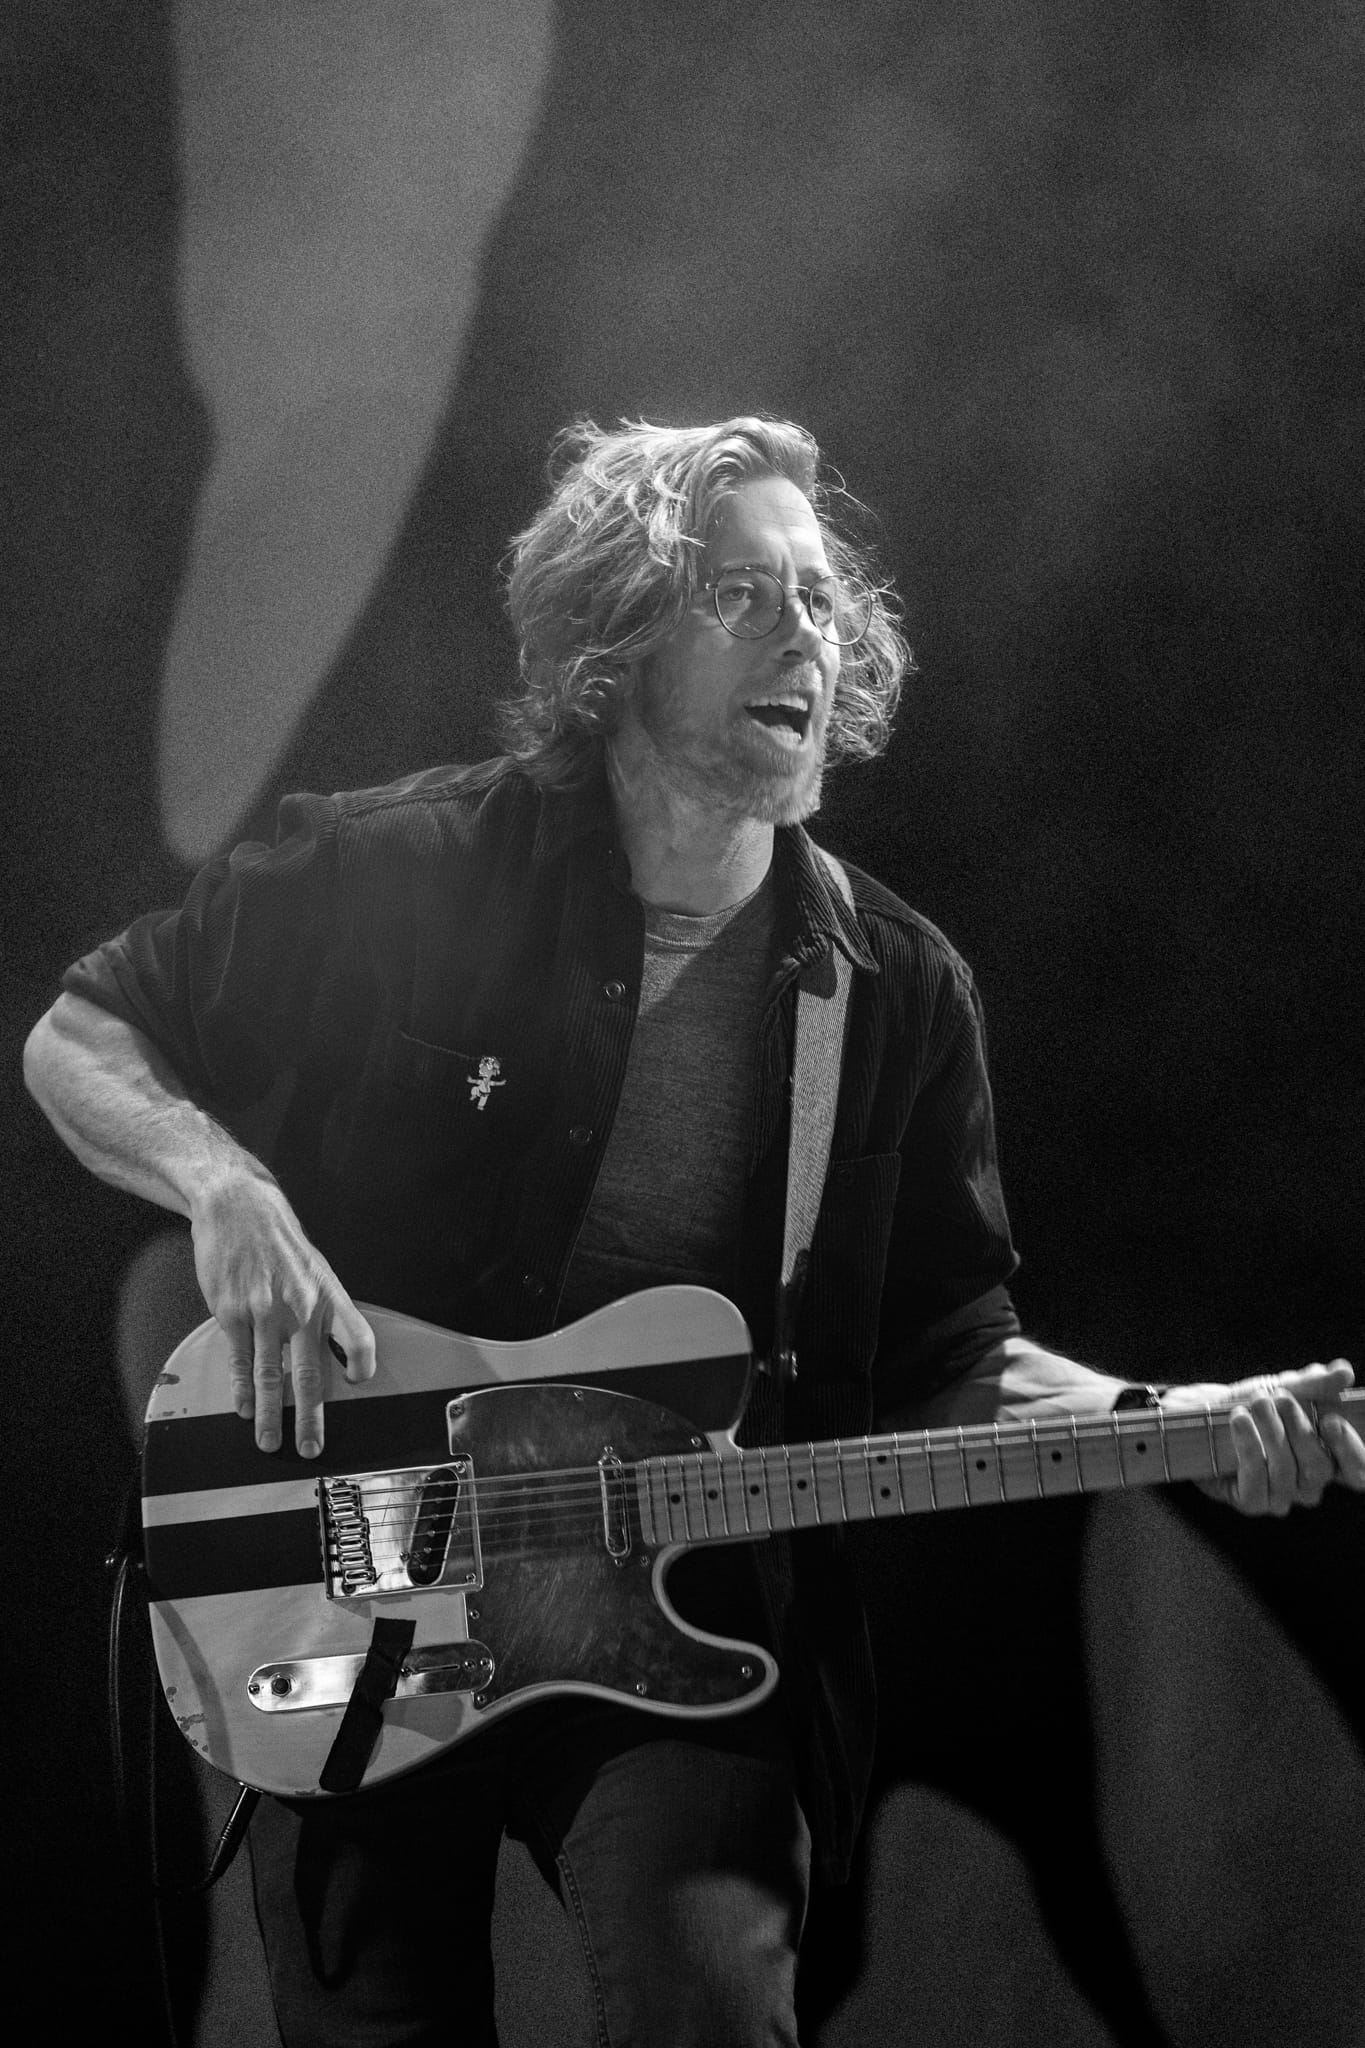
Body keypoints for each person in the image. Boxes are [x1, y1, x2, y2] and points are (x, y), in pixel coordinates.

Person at [24, 416, 1365, 2047]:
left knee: (712, 2010)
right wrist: (223, 1187)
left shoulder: (891, 986)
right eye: (744, 593)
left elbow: (957, 1355)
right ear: (616, 641)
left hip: (684, 1621)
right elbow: (84, 1034)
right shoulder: (399, 866)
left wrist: (1185, 1424)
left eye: (822, 599)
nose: (807, 632)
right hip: (345, 1585)